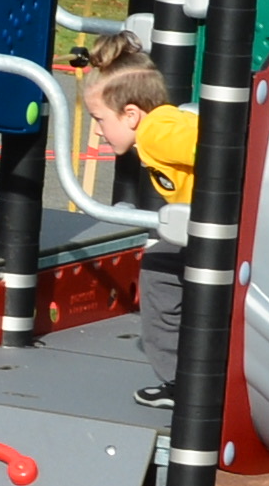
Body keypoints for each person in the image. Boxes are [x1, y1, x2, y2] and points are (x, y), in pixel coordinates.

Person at [78, 57, 197, 408]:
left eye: (100, 119)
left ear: (130, 115)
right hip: (214, 230)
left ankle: (184, 383)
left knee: (161, 270)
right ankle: (184, 378)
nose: (97, 130)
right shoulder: (163, 125)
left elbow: (222, 145)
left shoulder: (155, 133)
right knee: (161, 263)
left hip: (231, 233)